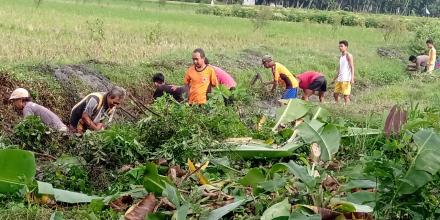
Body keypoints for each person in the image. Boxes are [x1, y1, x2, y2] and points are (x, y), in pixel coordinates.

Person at [332, 40, 355, 104]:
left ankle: (348, 108)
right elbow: (339, 69)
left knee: (346, 96)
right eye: (339, 46)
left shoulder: (349, 55)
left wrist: (352, 79)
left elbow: (352, 67)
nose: (340, 48)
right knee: (335, 94)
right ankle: (337, 105)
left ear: (346, 47)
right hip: (339, 79)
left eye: (341, 46)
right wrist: (334, 79)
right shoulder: (341, 56)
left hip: (346, 79)